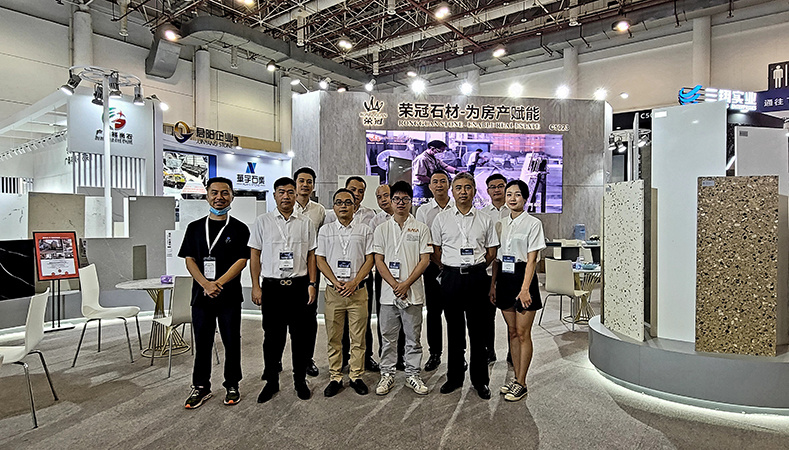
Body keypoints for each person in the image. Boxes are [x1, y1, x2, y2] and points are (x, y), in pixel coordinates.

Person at [179, 177, 250, 409]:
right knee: (202, 342)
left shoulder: (240, 228)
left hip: (229, 296)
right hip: (202, 296)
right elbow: (189, 260)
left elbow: (242, 260)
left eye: (225, 193)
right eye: (214, 192)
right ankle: (201, 386)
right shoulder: (194, 228)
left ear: (232, 196)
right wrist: (205, 284)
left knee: (231, 341)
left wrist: (218, 283)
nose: (219, 197)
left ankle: (232, 384)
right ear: (207, 196)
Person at [249, 177, 319, 403]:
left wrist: (312, 284)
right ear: (274, 195)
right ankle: (271, 381)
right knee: (272, 338)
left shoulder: (306, 223)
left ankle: (300, 380)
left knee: (300, 337)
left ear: (296, 195)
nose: (286, 196)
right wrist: (256, 286)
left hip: (299, 286)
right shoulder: (262, 221)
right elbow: (255, 255)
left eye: (290, 192)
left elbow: (311, 255)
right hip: (272, 288)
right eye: (281, 192)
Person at [431, 172, 499, 399]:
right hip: (451, 277)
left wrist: (475, 267)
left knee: (478, 331)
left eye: (467, 187)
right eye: (458, 187)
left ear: (474, 191)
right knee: (454, 330)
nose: (463, 192)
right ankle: (454, 378)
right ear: (452, 191)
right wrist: (449, 267)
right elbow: (435, 250)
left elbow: (491, 252)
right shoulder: (441, 219)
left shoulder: (485, 219)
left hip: (477, 277)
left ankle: (480, 381)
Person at [373, 181, 432, 395]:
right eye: (396, 199)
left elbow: (425, 260)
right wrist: (395, 285)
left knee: (413, 338)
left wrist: (405, 284)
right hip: (388, 294)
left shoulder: (421, 228)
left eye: (405, 199)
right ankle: (387, 374)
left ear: (411, 201)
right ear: (391, 201)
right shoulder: (381, 228)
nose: (400, 203)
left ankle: (412, 374)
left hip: (412, 293)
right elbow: (378, 260)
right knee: (388, 337)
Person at [489, 180, 545, 402]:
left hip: (524, 279)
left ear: (525, 198)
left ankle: (522, 382)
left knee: (523, 333)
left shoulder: (533, 223)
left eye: (518, 194)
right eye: (509, 194)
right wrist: (493, 285)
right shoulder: (500, 224)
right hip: (504, 278)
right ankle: (515, 378)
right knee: (512, 332)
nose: (512, 198)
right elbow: (496, 259)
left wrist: (524, 289)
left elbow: (532, 260)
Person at [317, 188, 375, 397]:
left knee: (358, 337)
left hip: (357, 292)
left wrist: (354, 282)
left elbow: (370, 259)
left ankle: (356, 376)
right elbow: (320, 259)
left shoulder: (364, 230)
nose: (343, 206)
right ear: (333, 207)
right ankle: (335, 376)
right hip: (334, 292)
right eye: (339, 202)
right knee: (334, 336)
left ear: (354, 206)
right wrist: (335, 282)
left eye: (348, 202)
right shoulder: (325, 230)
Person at [329, 176, 380, 371]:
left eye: (361, 191)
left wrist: (358, 279)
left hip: (362, 277)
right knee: (339, 324)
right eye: (353, 190)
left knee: (362, 321)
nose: (357, 194)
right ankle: (342, 359)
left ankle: (366, 358)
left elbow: (372, 249)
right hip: (338, 280)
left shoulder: (371, 215)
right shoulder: (331, 216)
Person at [414, 170, 454, 372]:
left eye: (443, 181)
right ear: (429, 186)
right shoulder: (423, 211)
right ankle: (435, 353)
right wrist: (438, 263)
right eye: (435, 182)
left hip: (455, 267)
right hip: (432, 267)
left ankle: (457, 355)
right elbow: (424, 240)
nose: (439, 185)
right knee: (433, 312)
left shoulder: (458, 207)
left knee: (455, 313)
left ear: (449, 185)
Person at [369, 185, 406, 369]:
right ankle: (386, 357)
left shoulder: (408, 218)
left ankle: (402, 356)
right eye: (379, 197)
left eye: (386, 195)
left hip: (405, 275)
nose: (383, 199)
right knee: (385, 317)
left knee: (405, 315)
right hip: (384, 274)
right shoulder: (376, 221)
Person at [294, 167, 323, 377]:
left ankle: (307, 359)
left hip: (311, 270)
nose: (305, 185)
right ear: (295, 183)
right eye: (302, 181)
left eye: (309, 181)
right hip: (287, 271)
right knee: (283, 318)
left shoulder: (319, 211)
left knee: (309, 316)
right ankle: (277, 359)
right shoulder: (285, 206)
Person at [480, 173, 511, 365]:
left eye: (501, 186)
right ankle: (488, 351)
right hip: (488, 271)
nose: (497, 190)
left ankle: (512, 352)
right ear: (488, 190)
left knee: (511, 315)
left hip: (509, 271)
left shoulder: (514, 211)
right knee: (486, 316)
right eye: (493, 187)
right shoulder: (482, 214)